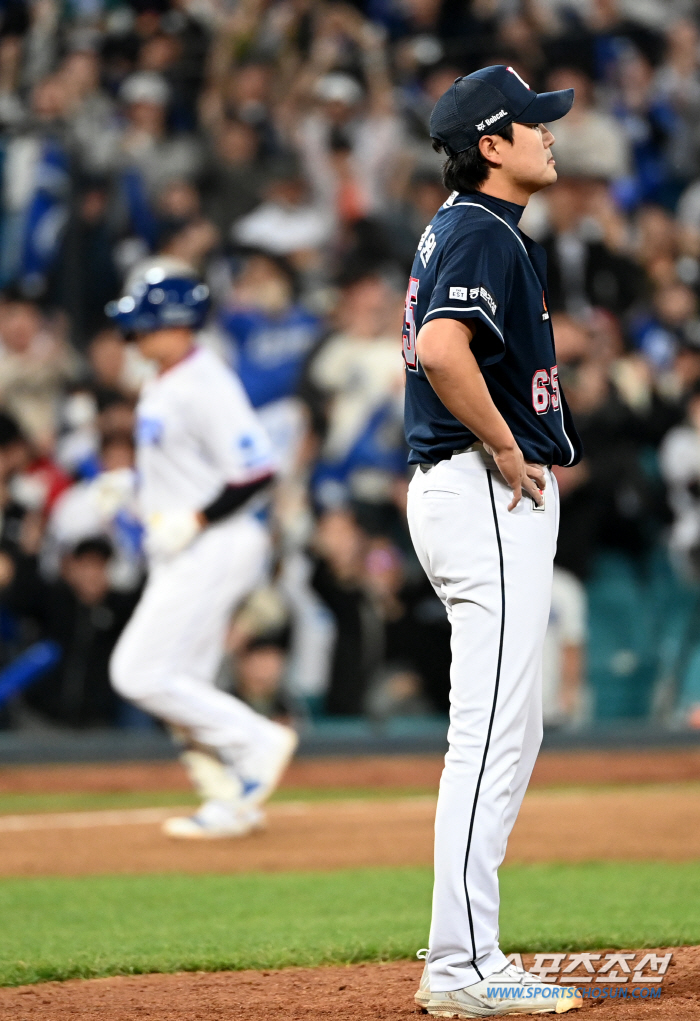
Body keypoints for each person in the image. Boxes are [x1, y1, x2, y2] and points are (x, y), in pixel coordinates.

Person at [404, 66, 584, 1016]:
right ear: (490, 144)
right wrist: (506, 443)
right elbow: (441, 347)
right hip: (480, 491)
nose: (550, 134)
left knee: (513, 727)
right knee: (486, 733)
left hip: (470, 493)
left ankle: (464, 954)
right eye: (533, 124)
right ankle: (461, 964)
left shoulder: (475, 228)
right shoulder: (480, 227)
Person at [106, 256, 298, 839]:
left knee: (137, 673)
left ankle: (258, 742)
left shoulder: (205, 381)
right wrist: (130, 489)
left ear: (179, 322)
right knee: (178, 686)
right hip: (184, 550)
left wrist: (193, 517)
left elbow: (258, 472)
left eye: (146, 321)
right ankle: (228, 799)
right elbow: (185, 470)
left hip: (216, 544)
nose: (135, 333)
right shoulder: (161, 380)